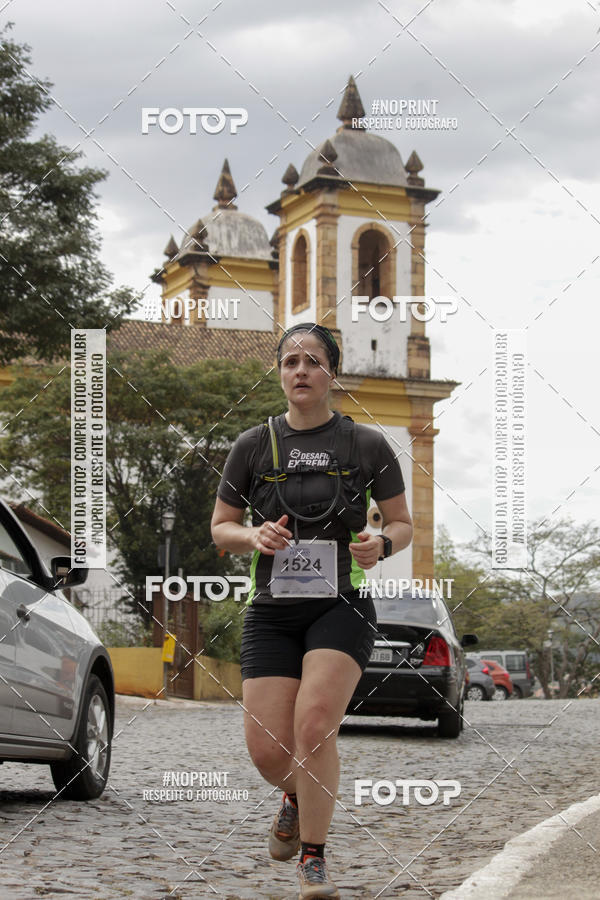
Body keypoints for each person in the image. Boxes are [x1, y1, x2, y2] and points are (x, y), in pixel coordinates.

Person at [211, 322, 412, 898]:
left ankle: (314, 859)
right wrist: (253, 537)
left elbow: (402, 522)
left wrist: (382, 544)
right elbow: (221, 529)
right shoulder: (252, 445)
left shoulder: (367, 444)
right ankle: (296, 797)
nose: (300, 370)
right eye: (290, 361)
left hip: (342, 603)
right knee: (268, 751)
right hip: (272, 610)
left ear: (332, 373)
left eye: (313, 361)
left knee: (315, 726)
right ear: (279, 373)